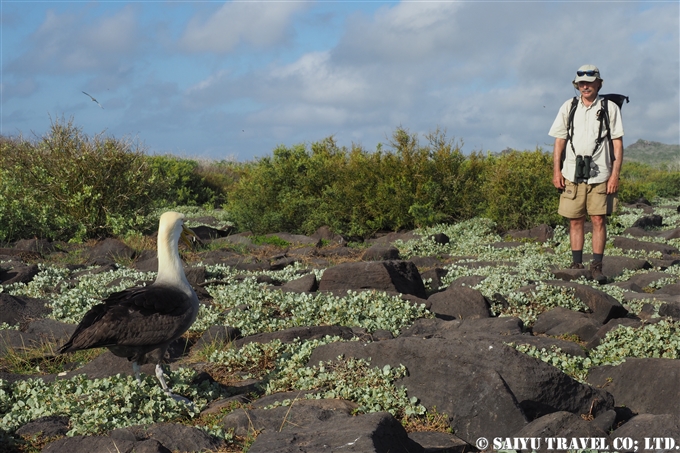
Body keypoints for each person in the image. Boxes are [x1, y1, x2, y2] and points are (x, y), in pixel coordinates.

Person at [549, 65, 624, 283]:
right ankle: (576, 264)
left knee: (598, 219)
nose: (585, 86)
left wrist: (615, 175)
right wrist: (556, 171)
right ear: (577, 85)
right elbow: (559, 141)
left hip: (601, 172)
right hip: (572, 172)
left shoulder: (610, 108)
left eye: (589, 83)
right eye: (581, 83)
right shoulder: (569, 106)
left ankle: (597, 267)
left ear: (599, 84)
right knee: (575, 220)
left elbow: (617, 143)